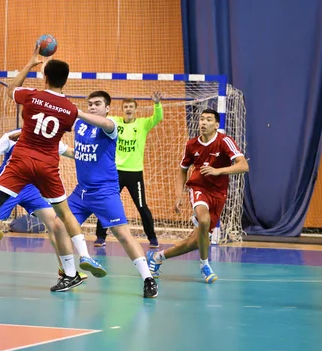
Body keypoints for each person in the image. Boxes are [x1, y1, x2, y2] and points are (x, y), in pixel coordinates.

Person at [0, 47, 104, 293]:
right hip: (48, 165)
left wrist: (31, 63)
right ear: (65, 80)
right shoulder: (71, 110)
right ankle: (83, 256)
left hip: (22, 158)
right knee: (64, 215)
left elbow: (11, 90)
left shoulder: (31, 96)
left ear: (45, 77)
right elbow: (74, 126)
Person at [54, 91, 158, 297]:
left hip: (105, 192)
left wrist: (78, 112)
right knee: (58, 226)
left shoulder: (110, 126)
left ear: (107, 108)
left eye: (97, 104)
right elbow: (72, 139)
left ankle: (148, 279)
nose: (93, 107)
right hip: (81, 191)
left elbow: (105, 125)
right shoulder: (80, 125)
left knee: (122, 234)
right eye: (90, 103)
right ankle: (69, 275)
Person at [0, 128, 87, 281]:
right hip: (9, 186)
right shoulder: (12, 137)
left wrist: (92, 153)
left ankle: (65, 269)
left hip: (31, 189)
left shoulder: (47, 137)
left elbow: (70, 152)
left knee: (55, 223)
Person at [146, 109, 249, 283]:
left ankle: (157, 257)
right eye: (201, 119)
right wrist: (179, 195)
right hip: (198, 188)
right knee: (203, 220)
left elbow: (243, 165)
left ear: (217, 125)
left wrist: (218, 171)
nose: (203, 122)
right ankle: (204, 265)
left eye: (208, 120)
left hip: (219, 194)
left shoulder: (225, 141)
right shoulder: (191, 145)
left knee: (195, 242)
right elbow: (182, 171)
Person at [94, 93, 163, 248]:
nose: (128, 109)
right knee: (107, 203)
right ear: (122, 109)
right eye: (126, 107)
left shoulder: (142, 124)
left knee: (141, 206)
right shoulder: (115, 122)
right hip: (115, 172)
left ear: (135, 109)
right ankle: (100, 237)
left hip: (135, 173)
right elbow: (101, 120)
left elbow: (157, 117)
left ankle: (152, 238)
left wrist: (157, 104)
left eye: (131, 107)